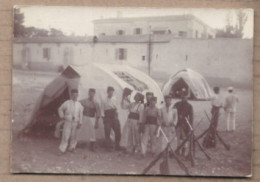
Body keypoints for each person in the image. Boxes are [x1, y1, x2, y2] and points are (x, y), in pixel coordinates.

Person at [58, 89, 83, 154]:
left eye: (76, 95)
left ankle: (72, 148)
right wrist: (62, 116)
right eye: (73, 95)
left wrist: (80, 122)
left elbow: (81, 114)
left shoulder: (79, 104)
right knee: (66, 135)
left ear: (78, 95)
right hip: (68, 121)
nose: (75, 96)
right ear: (71, 95)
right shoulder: (67, 102)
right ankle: (62, 149)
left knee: (74, 136)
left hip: (75, 122)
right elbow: (60, 109)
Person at [101, 86, 122, 151]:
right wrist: (103, 118)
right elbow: (102, 109)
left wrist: (116, 116)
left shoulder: (115, 99)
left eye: (112, 92)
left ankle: (117, 146)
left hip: (114, 116)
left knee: (118, 132)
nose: (111, 93)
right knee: (107, 132)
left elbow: (117, 108)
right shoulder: (104, 99)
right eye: (109, 92)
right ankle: (108, 147)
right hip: (107, 116)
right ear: (107, 92)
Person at [174, 91, 193, 156]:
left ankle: (183, 151)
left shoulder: (189, 106)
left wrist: (190, 127)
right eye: (182, 97)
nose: (183, 98)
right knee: (177, 138)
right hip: (177, 124)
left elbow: (191, 118)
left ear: (187, 97)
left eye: (185, 97)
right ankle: (177, 151)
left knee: (184, 139)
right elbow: (173, 113)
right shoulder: (177, 104)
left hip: (185, 125)